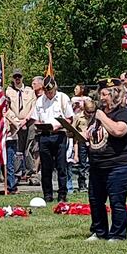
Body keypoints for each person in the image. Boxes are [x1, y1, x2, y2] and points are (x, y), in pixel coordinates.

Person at [86, 82, 127, 242]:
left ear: (115, 95)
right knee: (95, 200)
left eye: (105, 94)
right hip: (99, 164)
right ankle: (99, 231)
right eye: (101, 94)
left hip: (121, 164)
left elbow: (118, 131)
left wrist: (102, 117)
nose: (101, 98)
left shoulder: (124, 113)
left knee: (116, 199)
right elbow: (93, 135)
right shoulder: (99, 113)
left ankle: (117, 234)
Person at [28, 75, 74, 203]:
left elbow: (70, 118)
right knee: (46, 167)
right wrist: (39, 124)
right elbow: (35, 118)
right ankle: (47, 194)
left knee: (61, 166)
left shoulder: (63, 98)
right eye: (47, 92)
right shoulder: (40, 100)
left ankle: (62, 194)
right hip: (44, 135)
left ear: (55, 88)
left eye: (51, 91)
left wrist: (58, 125)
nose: (49, 94)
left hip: (59, 135)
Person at [5, 69, 35, 194]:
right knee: (16, 149)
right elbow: (7, 108)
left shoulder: (29, 91)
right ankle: (16, 175)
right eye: (15, 77)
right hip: (14, 123)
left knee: (28, 149)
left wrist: (26, 120)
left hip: (28, 122)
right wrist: (17, 122)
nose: (17, 79)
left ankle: (31, 173)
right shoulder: (8, 91)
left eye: (19, 77)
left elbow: (34, 106)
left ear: (22, 77)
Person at [71, 99, 95, 192]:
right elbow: (72, 130)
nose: (90, 114)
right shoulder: (78, 117)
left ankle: (93, 184)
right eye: (88, 112)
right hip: (82, 142)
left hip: (93, 141)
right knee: (83, 164)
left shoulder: (95, 117)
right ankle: (82, 184)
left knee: (94, 163)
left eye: (92, 112)